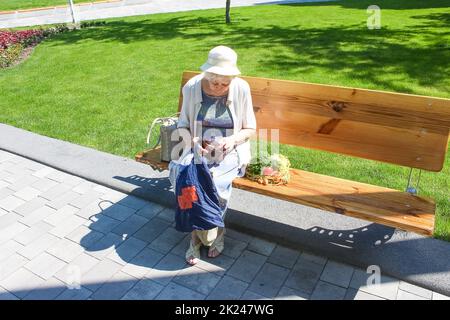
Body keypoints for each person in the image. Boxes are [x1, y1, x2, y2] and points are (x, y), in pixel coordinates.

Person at [172, 45, 257, 265]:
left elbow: (250, 129)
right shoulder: (192, 87)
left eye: (224, 83)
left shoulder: (241, 88)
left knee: (214, 184)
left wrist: (231, 141)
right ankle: (201, 236)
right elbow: (182, 125)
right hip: (197, 147)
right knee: (185, 180)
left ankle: (206, 236)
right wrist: (193, 142)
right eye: (213, 81)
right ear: (206, 74)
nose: (218, 86)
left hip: (230, 149)